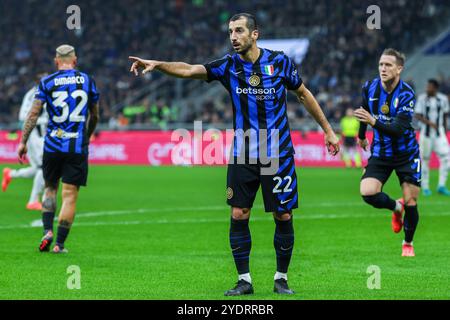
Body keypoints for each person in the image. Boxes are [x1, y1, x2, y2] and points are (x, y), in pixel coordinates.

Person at [129, 13, 340, 295]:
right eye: (230, 32)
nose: (233, 37)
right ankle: (245, 280)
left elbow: (303, 93)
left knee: (283, 215)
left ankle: (281, 278)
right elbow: (191, 70)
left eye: (239, 31)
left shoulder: (279, 62)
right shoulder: (228, 66)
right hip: (243, 154)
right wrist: (158, 65)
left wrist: (328, 130)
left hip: (278, 154)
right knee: (239, 214)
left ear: (255, 34)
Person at [18, 44, 100, 253]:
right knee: (70, 195)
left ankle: (47, 230)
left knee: (50, 188)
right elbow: (95, 115)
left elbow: (33, 114)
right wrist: (87, 137)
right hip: (76, 146)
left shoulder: (47, 82)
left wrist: (23, 142)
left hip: (52, 144)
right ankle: (59, 245)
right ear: (75, 60)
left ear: (56, 60)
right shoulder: (87, 80)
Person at [354, 48, 421, 257]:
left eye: (388, 65)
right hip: (381, 152)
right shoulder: (370, 87)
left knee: (411, 200)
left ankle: (407, 243)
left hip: (406, 153)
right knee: (367, 192)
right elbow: (364, 112)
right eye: (381, 64)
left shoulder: (406, 93)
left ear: (399, 68)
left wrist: (374, 122)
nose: (383, 68)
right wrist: (362, 135)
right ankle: (395, 207)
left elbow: (399, 129)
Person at [2, 74, 48, 211]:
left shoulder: (45, 92)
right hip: (34, 134)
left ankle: (10, 174)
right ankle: (33, 201)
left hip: (41, 134)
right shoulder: (33, 94)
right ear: (38, 82)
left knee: (37, 169)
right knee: (43, 166)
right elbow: (24, 115)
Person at [414, 79, 450, 196]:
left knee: (446, 159)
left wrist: (444, 130)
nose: (427, 88)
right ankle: (425, 187)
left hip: (439, 133)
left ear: (435, 88)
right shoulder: (422, 98)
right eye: (427, 86)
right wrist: (430, 123)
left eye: (429, 87)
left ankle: (441, 185)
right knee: (425, 160)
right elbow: (418, 115)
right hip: (426, 133)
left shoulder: (443, 99)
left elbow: (445, 115)